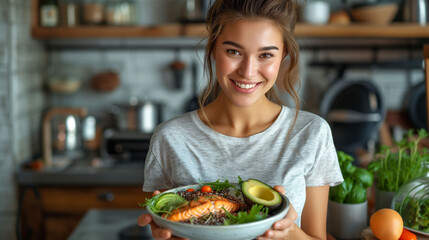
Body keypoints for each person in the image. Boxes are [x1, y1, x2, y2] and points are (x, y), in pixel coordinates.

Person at [138, 0, 344, 239]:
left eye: (265, 55)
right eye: (233, 51)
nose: (248, 71)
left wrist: (288, 232)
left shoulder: (311, 133)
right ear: (214, 48)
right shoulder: (170, 138)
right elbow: (166, 226)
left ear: (284, 55)